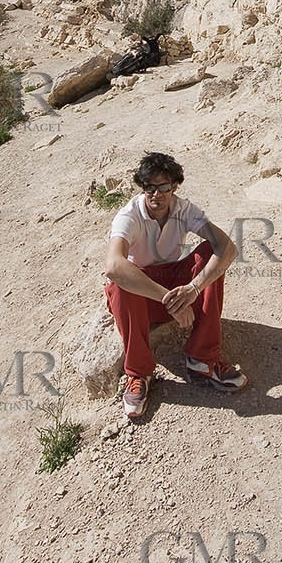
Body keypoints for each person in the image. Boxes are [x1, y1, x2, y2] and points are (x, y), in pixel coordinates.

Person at [104, 151, 247, 419]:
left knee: (207, 254)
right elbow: (113, 265)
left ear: (175, 186)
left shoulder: (184, 210)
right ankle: (138, 373)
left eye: (164, 187)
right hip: (144, 294)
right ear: (142, 188)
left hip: (173, 283)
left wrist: (192, 288)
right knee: (120, 283)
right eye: (150, 188)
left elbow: (227, 248)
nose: (156, 195)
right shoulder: (129, 215)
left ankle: (203, 358)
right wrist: (168, 298)